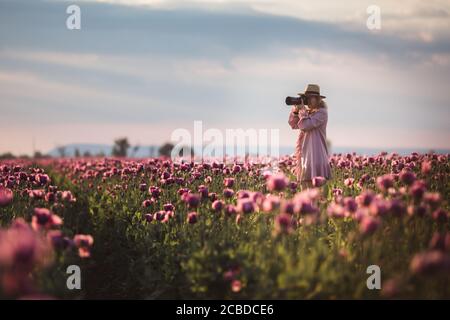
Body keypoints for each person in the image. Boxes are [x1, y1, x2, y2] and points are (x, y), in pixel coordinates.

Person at [288, 84, 332, 189]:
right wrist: (295, 111)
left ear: (317, 99)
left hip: (316, 155)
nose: (307, 100)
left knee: (315, 191)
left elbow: (306, 125)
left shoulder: (322, 113)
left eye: (309, 98)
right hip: (305, 155)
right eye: (305, 98)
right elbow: (293, 124)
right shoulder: (308, 113)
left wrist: (302, 110)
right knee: (304, 188)